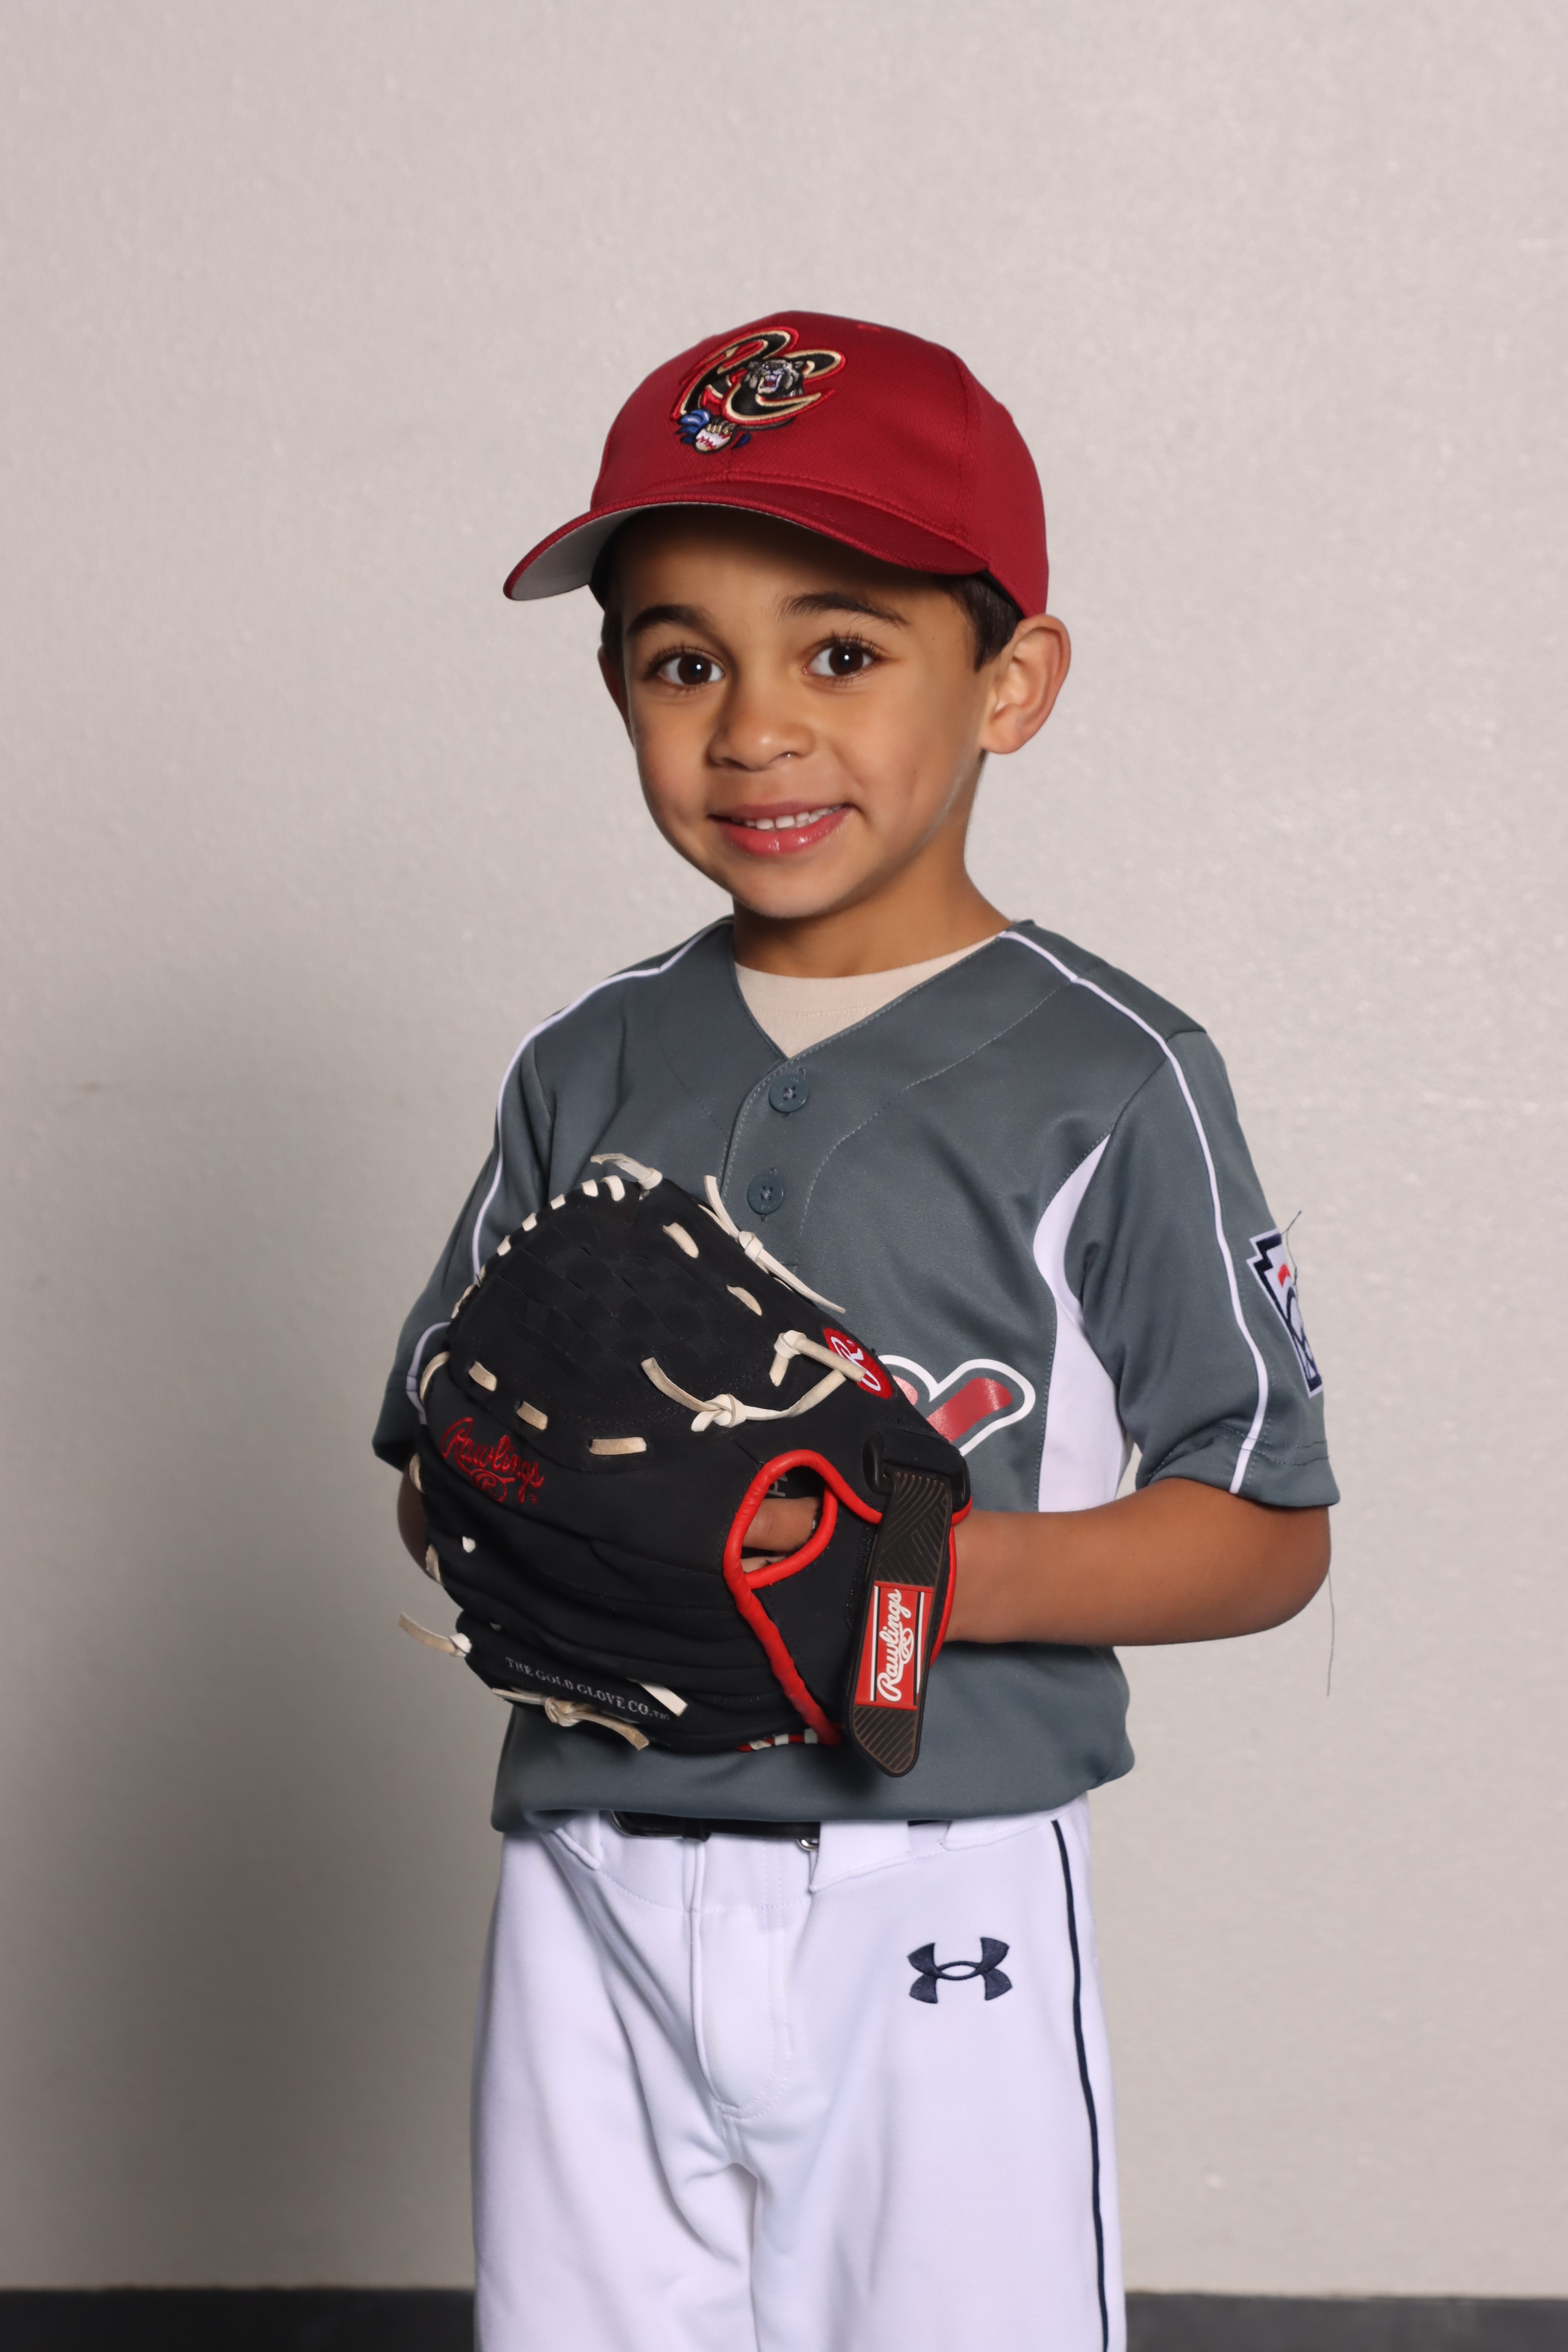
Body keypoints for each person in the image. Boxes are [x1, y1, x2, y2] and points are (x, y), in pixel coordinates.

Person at [373, 312, 1337, 2352]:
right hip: (587, 1866)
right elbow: (438, 1462)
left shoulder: (1113, 1075)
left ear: (1010, 683)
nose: (752, 730)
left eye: (839, 651)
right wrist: (562, 1530)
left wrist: (911, 1573)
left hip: (930, 1870)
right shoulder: (584, 1061)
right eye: (680, 662)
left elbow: (1265, 1532)